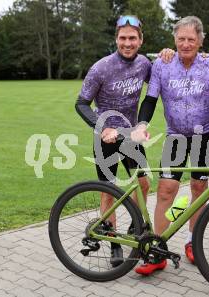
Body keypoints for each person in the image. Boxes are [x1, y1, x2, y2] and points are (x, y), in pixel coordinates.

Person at [131, 16, 209, 276]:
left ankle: (192, 244)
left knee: (199, 189)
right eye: (181, 39)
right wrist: (142, 123)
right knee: (167, 190)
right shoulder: (162, 64)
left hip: (204, 136)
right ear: (174, 40)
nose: (186, 44)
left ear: (200, 40)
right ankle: (157, 249)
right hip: (175, 136)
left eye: (191, 39)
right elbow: (151, 99)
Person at [75, 15, 151, 267]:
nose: (127, 43)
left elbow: (164, 76)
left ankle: (134, 223)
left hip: (130, 135)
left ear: (140, 40)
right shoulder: (101, 67)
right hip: (105, 138)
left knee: (143, 183)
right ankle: (115, 246)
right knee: (108, 193)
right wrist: (103, 127)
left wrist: (169, 55)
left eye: (132, 38)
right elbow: (81, 103)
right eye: (122, 38)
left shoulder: (144, 64)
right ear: (116, 39)